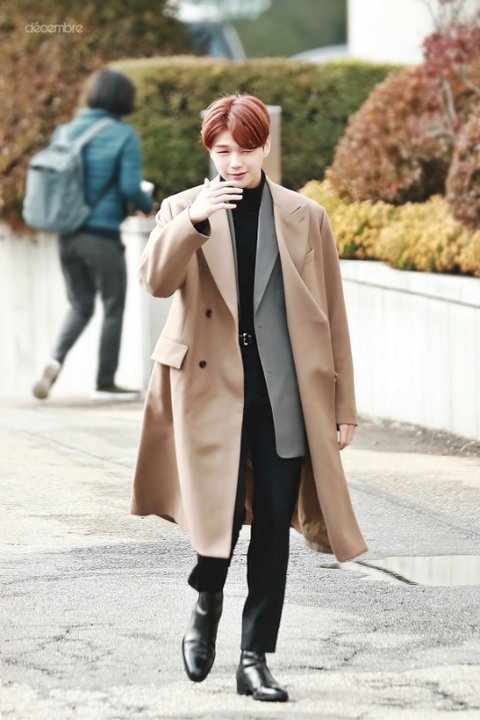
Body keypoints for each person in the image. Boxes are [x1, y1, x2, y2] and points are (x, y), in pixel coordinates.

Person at [131, 93, 367, 702]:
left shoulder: (305, 216)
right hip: (209, 391)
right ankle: (207, 598)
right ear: (209, 151)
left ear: (265, 146)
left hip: (284, 391)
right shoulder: (183, 208)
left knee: (273, 531)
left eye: (244, 149)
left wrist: (342, 405)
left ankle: (254, 658)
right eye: (221, 151)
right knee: (220, 516)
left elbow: (333, 315)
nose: (233, 162)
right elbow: (155, 281)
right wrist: (193, 221)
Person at [32, 68, 155, 402]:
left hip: (67, 233)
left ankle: (55, 359)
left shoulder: (66, 131)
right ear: (123, 98)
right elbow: (130, 187)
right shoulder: (122, 135)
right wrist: (149, 204)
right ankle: (104, 383)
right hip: (101, 235)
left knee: (80, 304)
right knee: (113, 304)